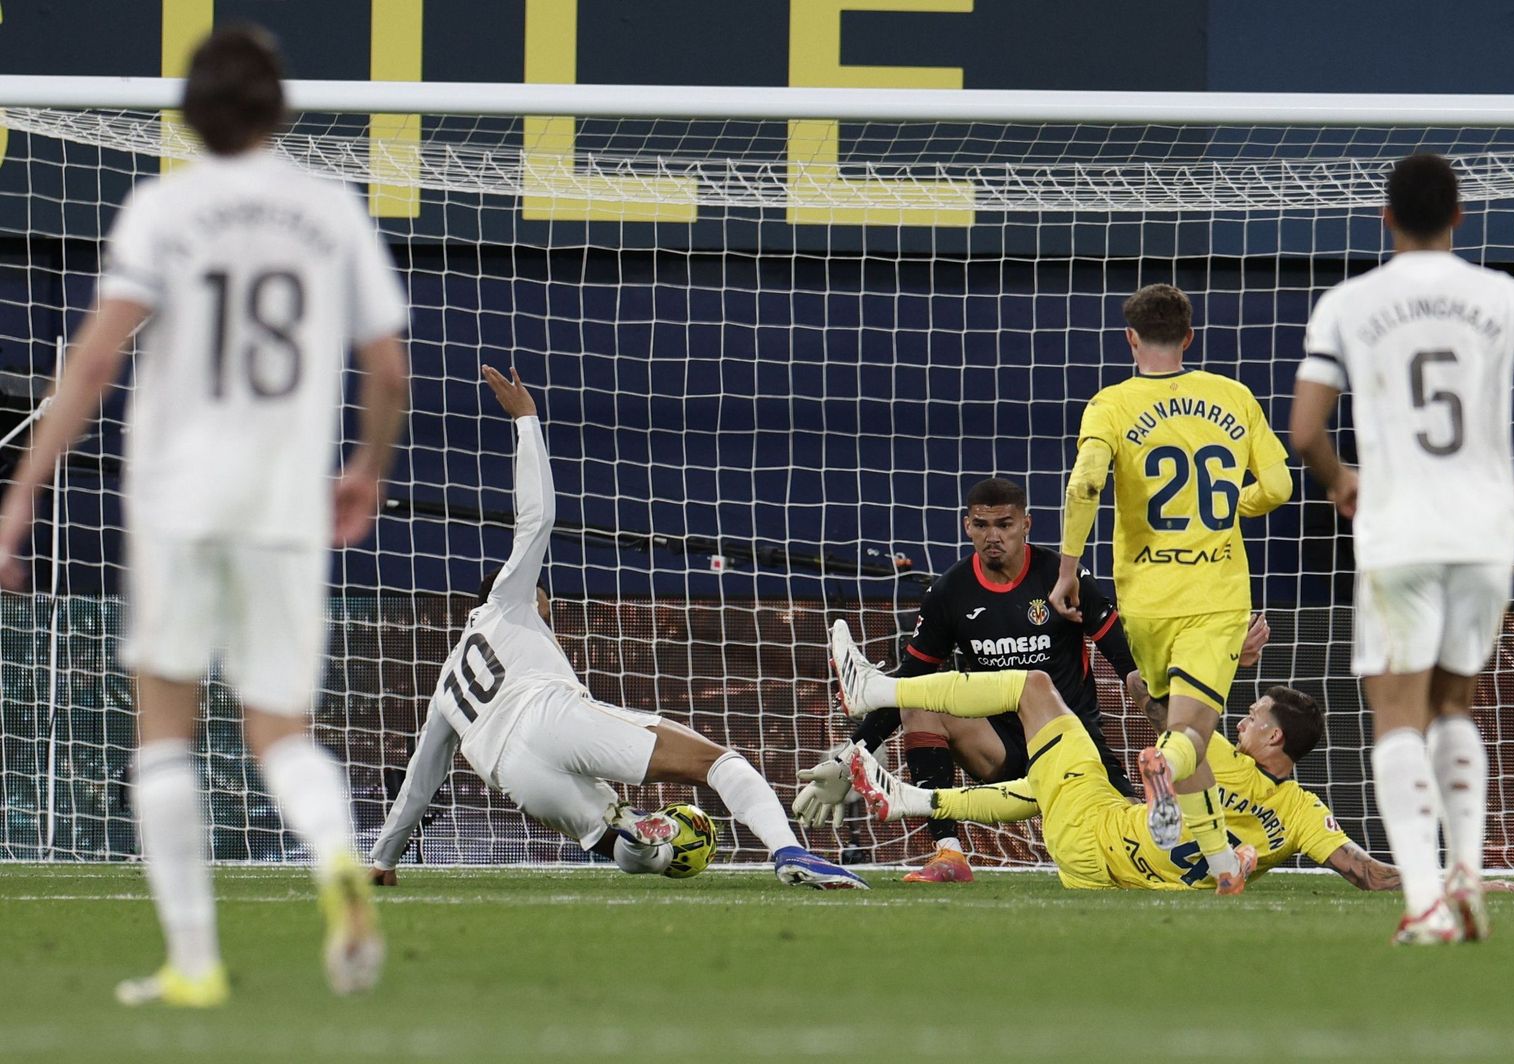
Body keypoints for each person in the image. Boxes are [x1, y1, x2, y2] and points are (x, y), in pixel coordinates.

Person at [0, 26, 410, 1004]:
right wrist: (365, 466)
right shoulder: (330, 209)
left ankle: (194, 959)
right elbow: (388, 367)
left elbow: (94, 361)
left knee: (165, 732)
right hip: (281, 500)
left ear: (188, 114)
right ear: (280, 109)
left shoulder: (162, 209)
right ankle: (335, 861)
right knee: (280, 728)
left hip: (178, 499)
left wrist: (20, 496)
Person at [370, 364, 868, 890]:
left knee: (628, 847)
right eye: (545, 598)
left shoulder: (448, 683)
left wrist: (384, 858)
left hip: (512, 774)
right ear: (527, 595)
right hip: (549, 714)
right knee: (718, 762)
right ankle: (790, 853)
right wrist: (526, 422)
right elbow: (535, 521)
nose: (548, 605)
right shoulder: (506, 599)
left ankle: (638, 835)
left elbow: (421, 783)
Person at [1288, 153, 1514, 944]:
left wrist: (1340, 481)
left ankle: (1425, 902)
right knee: (1456, 704)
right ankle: (1466, 873)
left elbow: (1306, 430)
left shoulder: (1350, 303)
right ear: (1459, 216)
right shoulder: (1506, 296)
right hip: (1485, 528)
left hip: (1400, 528)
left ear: (1386, 218)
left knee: (1396, 715)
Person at [836, 652, 1514, 897]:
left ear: (1272, 738)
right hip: (1107, 858)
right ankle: (910, 798)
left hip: (1102, 838)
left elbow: (1154, 702)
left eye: (1252, 715)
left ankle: (879, 693)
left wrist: (1215, 653)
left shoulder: (1214, 750)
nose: (1242, 720)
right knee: (1061, 783)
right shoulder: (1304, 814)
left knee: (1037, 690)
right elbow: (1367, 873)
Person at [1046, 283, 1293, 894]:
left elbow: (1084, 487)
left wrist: (1068, 569)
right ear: (1188, 337)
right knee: (1189, 736)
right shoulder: (1232, 396)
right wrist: (1238, 503)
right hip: (1213, 597)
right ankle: (1161, 768)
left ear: (1131, 338)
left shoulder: (1109, 405)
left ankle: (1219, 863)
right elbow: (1281, 485)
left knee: (1178, 728)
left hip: (1146, 601)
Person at [796, 476, 1144, 884]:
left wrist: (1153, 700)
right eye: (981, 525)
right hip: (999, 748)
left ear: (1026, 525)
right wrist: (852, 754)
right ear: (966, 526)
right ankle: (950, 854)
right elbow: (909, 681)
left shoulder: (1060, 576)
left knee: (1137, 845)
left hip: (1072, 745)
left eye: (1005, 524)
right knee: (919, 700)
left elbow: (1123, 656)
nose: (992, 536)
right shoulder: (951, 592)